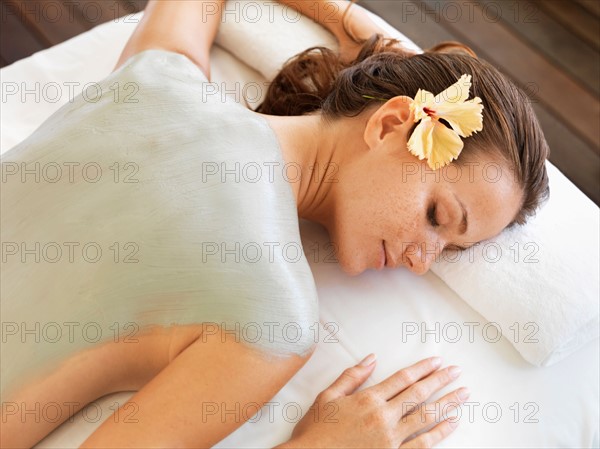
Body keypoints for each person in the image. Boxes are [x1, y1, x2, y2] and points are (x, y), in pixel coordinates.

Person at [0, 1, 549, 448]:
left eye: (448, 250)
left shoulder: (159, 72)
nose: (421, 259)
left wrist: (354, 27)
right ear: (390, 123)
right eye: (437, 217)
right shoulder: (272, 316)